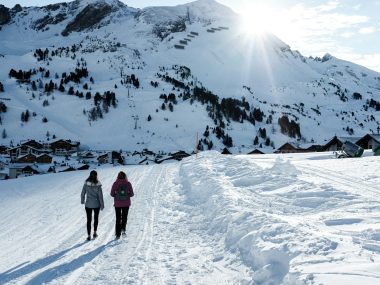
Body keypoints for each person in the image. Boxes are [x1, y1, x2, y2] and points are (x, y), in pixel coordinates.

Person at [81, 170, 104, 241]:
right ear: (96, 176)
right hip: (96, 204)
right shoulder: (98, 185)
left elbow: (83, 193)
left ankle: (88, 235)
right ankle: (94, 232)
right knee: (96, 218)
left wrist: (82, 201)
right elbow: (100, 196)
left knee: (89, 220)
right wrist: (102, 205)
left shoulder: (86, 183)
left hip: (88, 204)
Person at [110, 171, 134, 239]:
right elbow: (132, 194)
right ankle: (123, 229)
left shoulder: (115, 183)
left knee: (118, 218)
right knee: (124, 217)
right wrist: (127, 195)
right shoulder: (128, 183)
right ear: (125, 176)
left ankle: (118, 234)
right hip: (126, 203)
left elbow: (112, 194)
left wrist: (116, 196)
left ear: (118, 176)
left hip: (117, 204)